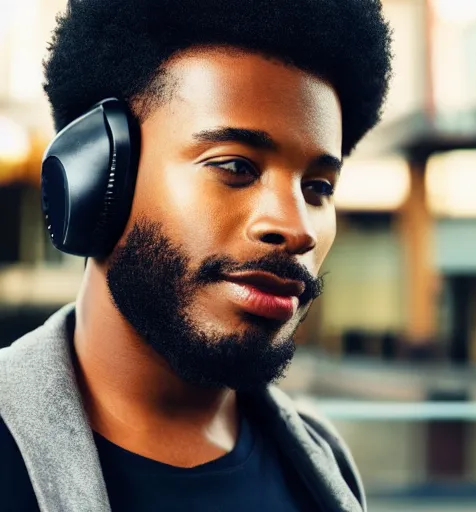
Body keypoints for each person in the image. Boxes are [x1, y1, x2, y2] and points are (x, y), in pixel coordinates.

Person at [0, 0, 392, 510]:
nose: (296, 228)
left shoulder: (325, 465)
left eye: (318, 187)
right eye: (235, 166)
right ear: (95, 179)